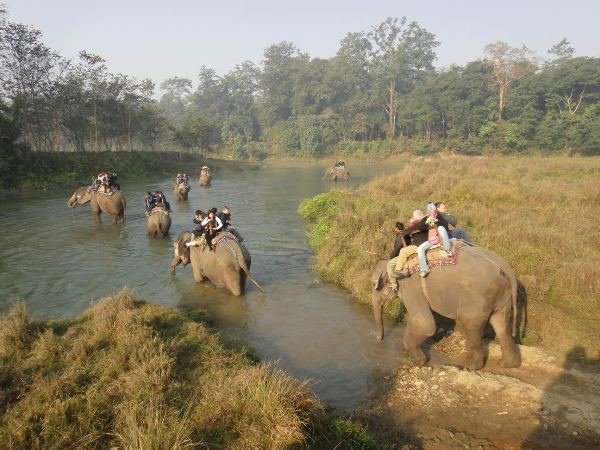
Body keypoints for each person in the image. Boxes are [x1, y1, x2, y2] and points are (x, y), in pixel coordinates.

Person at [415, 203, 453, 277]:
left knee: (441, 228)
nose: (433, 212)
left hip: (440, 237)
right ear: (428, 211)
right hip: (431, 240)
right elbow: (420, 227)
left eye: (434, 210)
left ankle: (447, 249)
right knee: (420, 248)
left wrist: (436, 221)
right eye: (431, 211)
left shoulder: (439, 216)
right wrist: (427, 223)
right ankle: (424, 269)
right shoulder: (426, 218)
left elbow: (444, 224)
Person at [386, 222, 410, 291]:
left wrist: (391, 257)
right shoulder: (404, 233)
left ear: (397, 228)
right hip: (406, 251)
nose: (394, 229)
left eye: (395, 228)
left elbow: (397, 249)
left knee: (389, 265)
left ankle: (394, 283)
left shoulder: (400, 235)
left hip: (403, 254)